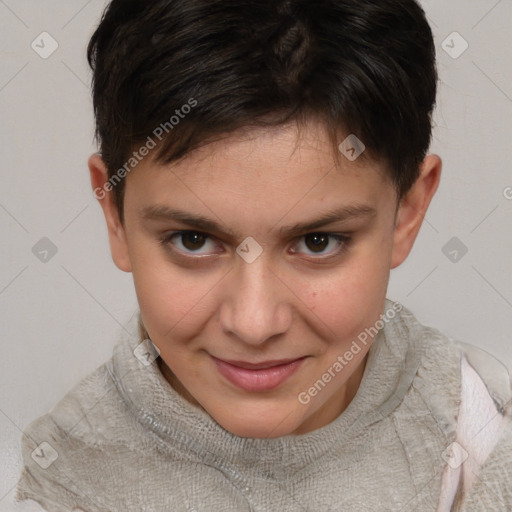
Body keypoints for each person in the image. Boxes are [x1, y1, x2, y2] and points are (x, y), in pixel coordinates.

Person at [14, 0, 512, 510]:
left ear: (407, 212)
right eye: (193, 240)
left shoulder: (476, 436)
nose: (254, 325)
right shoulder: (68, 481)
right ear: (115, 215)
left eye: (318, 242)